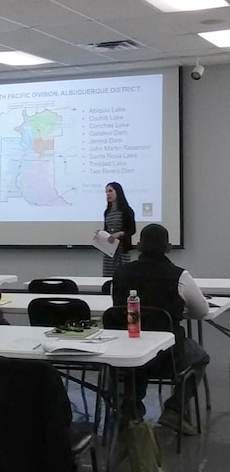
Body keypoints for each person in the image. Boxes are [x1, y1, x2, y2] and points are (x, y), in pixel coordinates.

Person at [112, 224, 208, 435]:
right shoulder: (179, 276)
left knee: (138, 363)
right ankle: (174, 409)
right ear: (169, 248)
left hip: (126, 354)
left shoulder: (120, 273)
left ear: (138, 245)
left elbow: (118, 307)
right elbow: (201, 311)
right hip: (168, 359)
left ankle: (129, 412)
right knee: (201, 357)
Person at [102, 182, 136, 276]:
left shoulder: (126, 210)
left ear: (118, 192)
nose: (108, 194)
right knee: (108, 276)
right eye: (106, 192)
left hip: (122, 249)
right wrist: (100, 234)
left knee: (122, 275)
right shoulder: (107, 212)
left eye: (110, 191)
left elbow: (132, 230)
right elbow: (106, 230)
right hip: (109, 250)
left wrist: (119, 233)